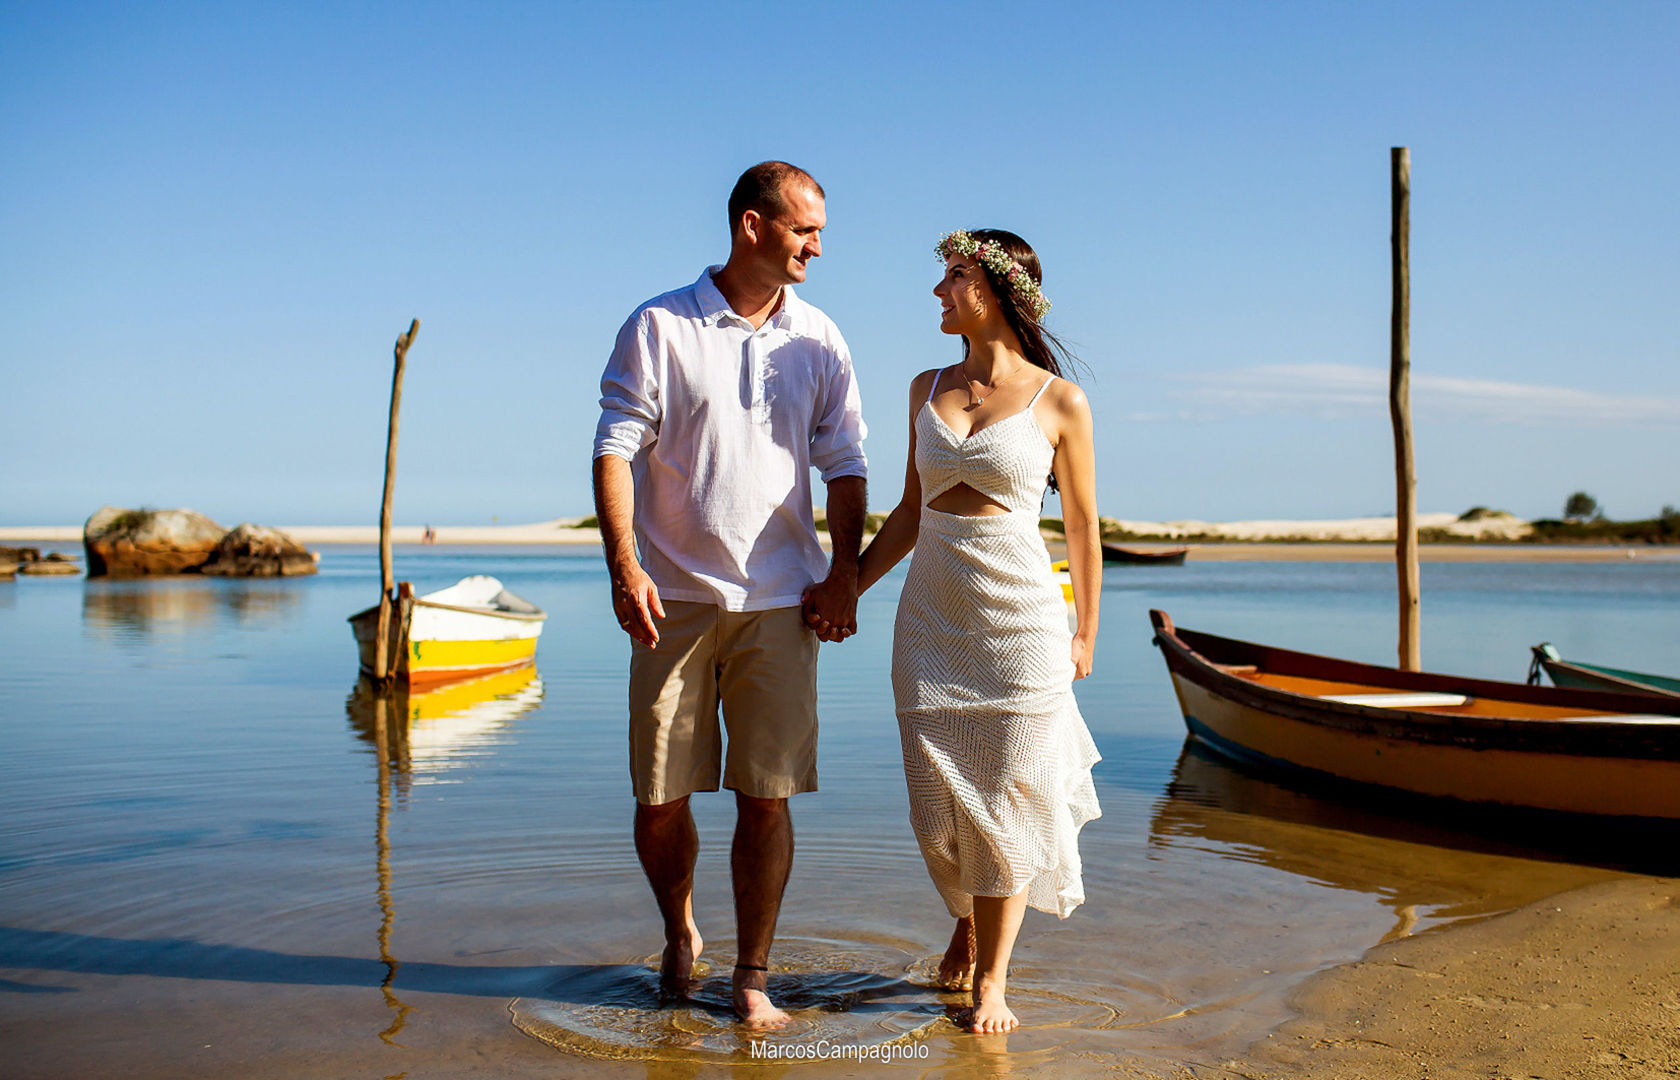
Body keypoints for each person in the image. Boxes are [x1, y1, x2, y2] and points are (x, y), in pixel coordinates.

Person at [591, 161, 868, 1029]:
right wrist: (624, 566)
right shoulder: (660, 325)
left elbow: (846, 463)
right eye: (804, 230)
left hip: (781, 600)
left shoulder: (820, 337)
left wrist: (844, 573)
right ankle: (679, 929)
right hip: (670, 598)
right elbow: (614, 449)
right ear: (753, 225)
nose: (816, 248)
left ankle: (752, 973)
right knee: (658, 796)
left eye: (819, 233)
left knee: (766, 793)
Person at [826, 228, 1101, 1034]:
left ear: (998, 290)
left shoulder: (1060, 401)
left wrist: (1086, 633)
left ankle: (992, 980)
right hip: (931, 621)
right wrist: (846, 588)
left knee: (1008, 800)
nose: (939, 291)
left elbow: (1083, 526)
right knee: (936, 807)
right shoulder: (927, 387)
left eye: (953, 276)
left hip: (1022, 624)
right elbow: (911, 512)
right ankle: (967, 916)